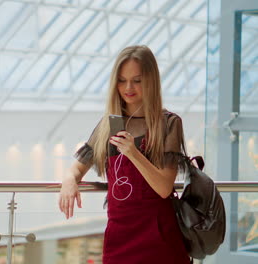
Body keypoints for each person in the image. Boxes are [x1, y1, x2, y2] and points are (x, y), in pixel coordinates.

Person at [58, 45, 191, 263]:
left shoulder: (168, 123)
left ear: (151, 81)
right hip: (119, 237)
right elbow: (78, 167)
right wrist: (69, 180)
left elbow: (164, 187)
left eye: (137, 80)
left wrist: (133, 153)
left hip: (158, 236)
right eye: (121, 80)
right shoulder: (109, 125)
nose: (128, 87)